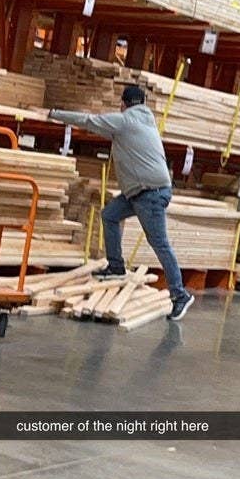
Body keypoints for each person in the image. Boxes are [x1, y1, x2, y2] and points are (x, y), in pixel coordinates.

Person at [49, 85, 194, 321]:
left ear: (123, 104)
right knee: (110, 215)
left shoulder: (125, 121)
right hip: (142, 191)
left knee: (159, 243)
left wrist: (54, 114)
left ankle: (180, 295)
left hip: (150, 193)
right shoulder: (146, 121)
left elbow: (89, 120)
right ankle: (116, 266)